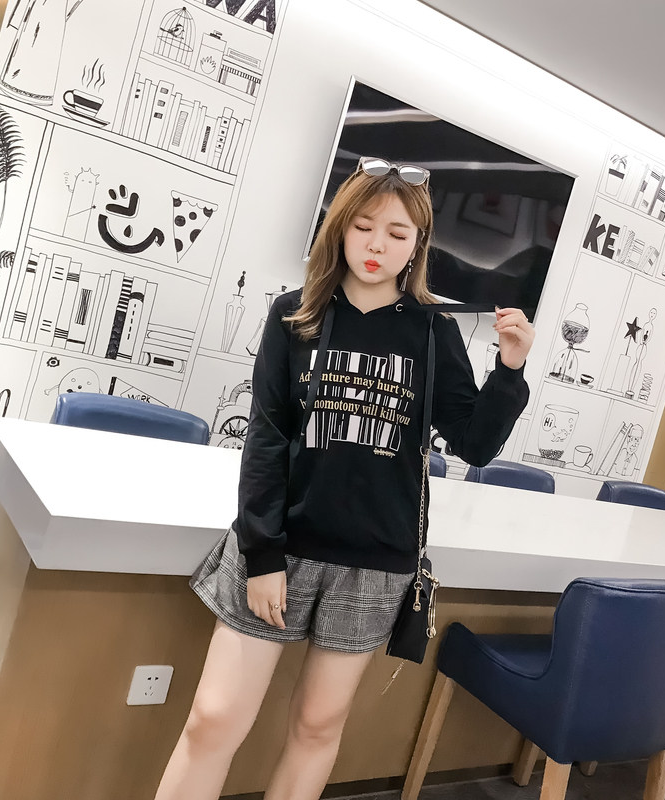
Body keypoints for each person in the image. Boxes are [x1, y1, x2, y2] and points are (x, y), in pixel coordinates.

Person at [154, 157, 534, 800]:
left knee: (318, 726)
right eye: (363, 226)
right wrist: (262, 554)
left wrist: (510, 370)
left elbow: (474, 443)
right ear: (340, 228)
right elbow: (266, 440)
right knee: (213, 719)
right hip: (281, 548)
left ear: (418, 243)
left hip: (374, 562)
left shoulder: (433, 331)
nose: (377, 244)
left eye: (397, 232)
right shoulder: (294, 315)